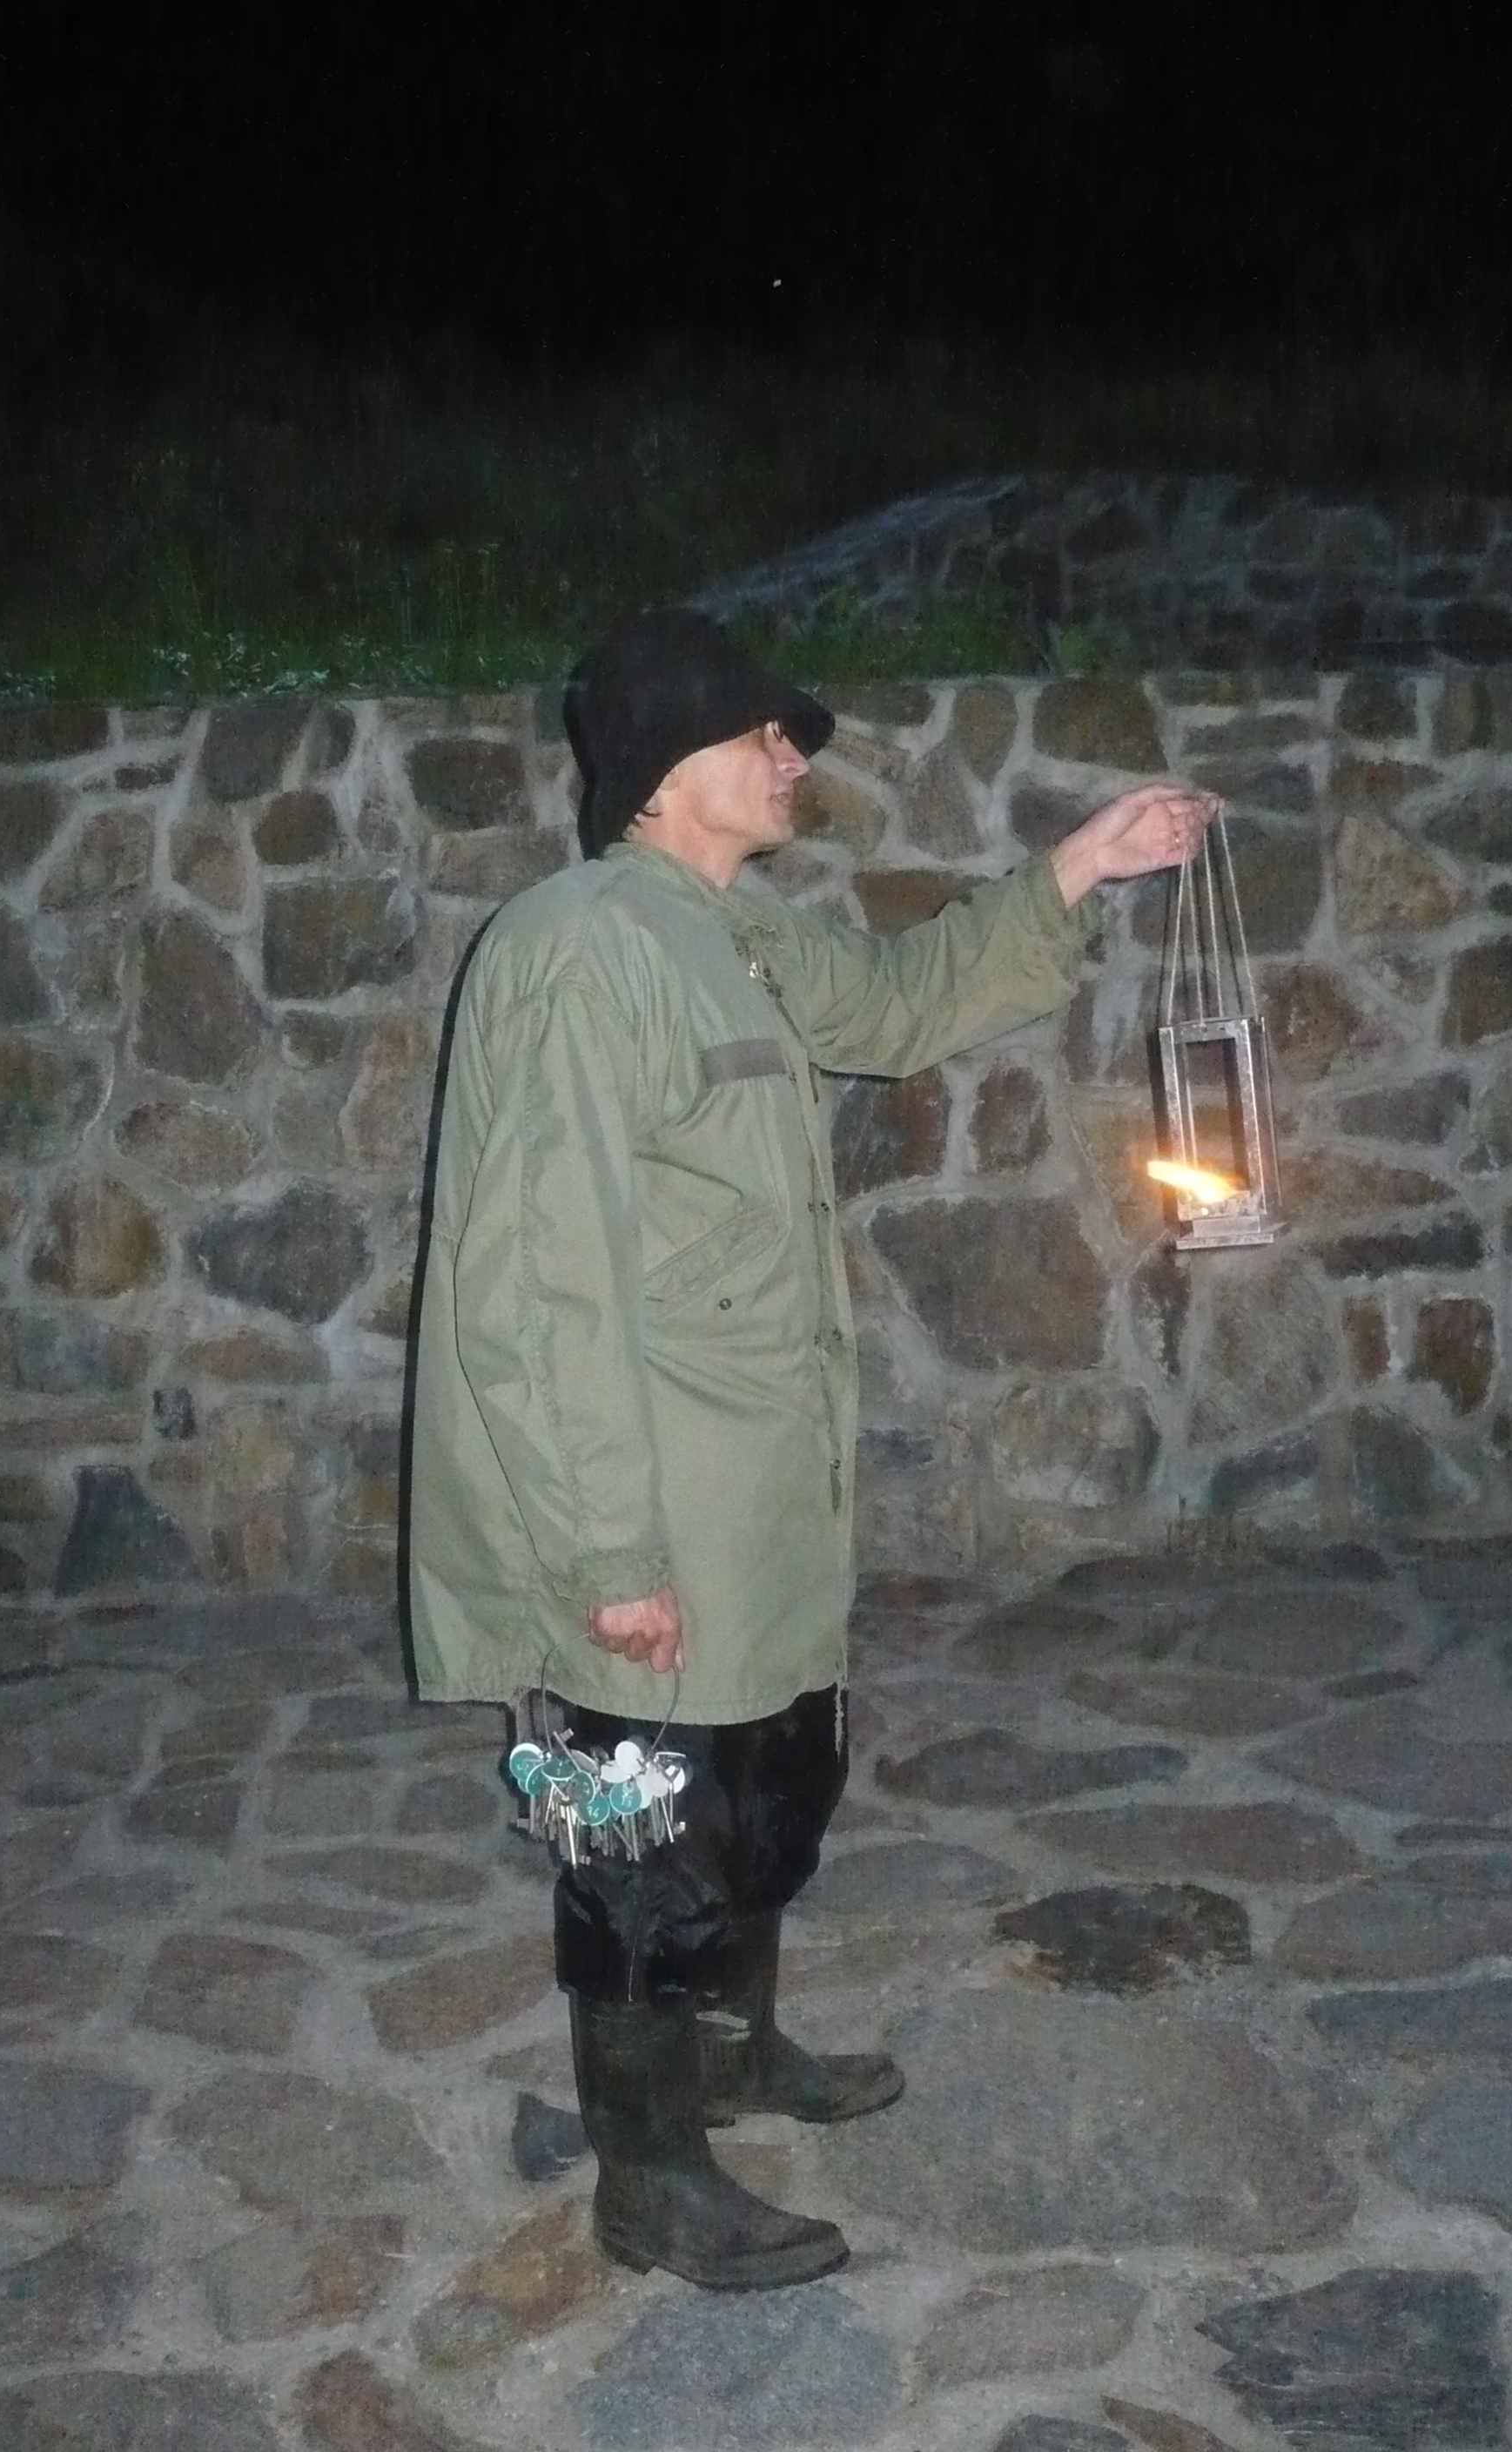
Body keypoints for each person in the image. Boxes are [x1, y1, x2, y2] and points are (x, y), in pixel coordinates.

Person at [408, 609, 1214, 2290]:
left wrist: (1083, 865)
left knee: (771, 1774)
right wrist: (607, 1556)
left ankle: (732, 2056)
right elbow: (537, 1283)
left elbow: (905, 1001)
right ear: (664, 765)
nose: (794, 758)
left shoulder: (741, 934)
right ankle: (648, 2179)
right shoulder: (579, 951)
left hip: (759, 1482)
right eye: (763, 734)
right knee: (640, 1834)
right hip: (644, 1492)